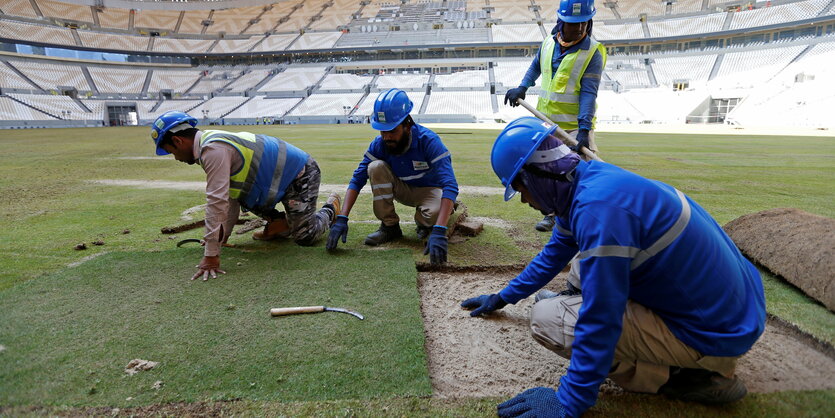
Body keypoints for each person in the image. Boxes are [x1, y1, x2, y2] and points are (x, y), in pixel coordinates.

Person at [461, 117, 766, 417]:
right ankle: (690, 354)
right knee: (584, 263)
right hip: (730, 308)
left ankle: (687, 375)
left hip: (715, 332)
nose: (524, 201)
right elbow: (554, 253)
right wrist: (504, 296)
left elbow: (602, 316)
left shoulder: (597, 213)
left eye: (519, 188)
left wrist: (568, 402)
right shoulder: (587, 181)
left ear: (534, 176)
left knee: (547, 320)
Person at [150, 111, 341, 281]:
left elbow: (216, 202)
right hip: (273, 181)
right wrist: (221, 237)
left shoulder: (213, 150)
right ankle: (279, 223)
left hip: (300, 174)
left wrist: (211, 255)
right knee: (244, 195)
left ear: (178, 141)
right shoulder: (209, 145)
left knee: (304, 237)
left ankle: (330, 210)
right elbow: (232, 197)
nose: (176, 158)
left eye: (171, 151)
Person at [504, 0, 606, 232]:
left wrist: (583, 129)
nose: (579, 29)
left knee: (582, 173)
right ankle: (552, 214)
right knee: (548, 171)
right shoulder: (549, 43)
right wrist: (523, 87)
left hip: (574, 127)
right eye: (572, 24)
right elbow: (535, 67)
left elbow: (589, 94)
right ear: (560, 22)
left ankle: (589, 216)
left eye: (584, 23)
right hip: (546, 124)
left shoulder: (593, 52)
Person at [325, 88, 459, 266]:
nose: (387, 137)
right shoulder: (379, 145)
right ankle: (390, 227)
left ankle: (427, 222)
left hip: (430, 189)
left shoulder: (429, 141)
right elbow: (357, 179)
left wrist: (440, 230)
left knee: (433, 216)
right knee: (375, 167)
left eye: (392, 130)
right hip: (401, 187)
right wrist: (342, 218)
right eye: (382, 131)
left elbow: (450, 185)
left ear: (407, 125)